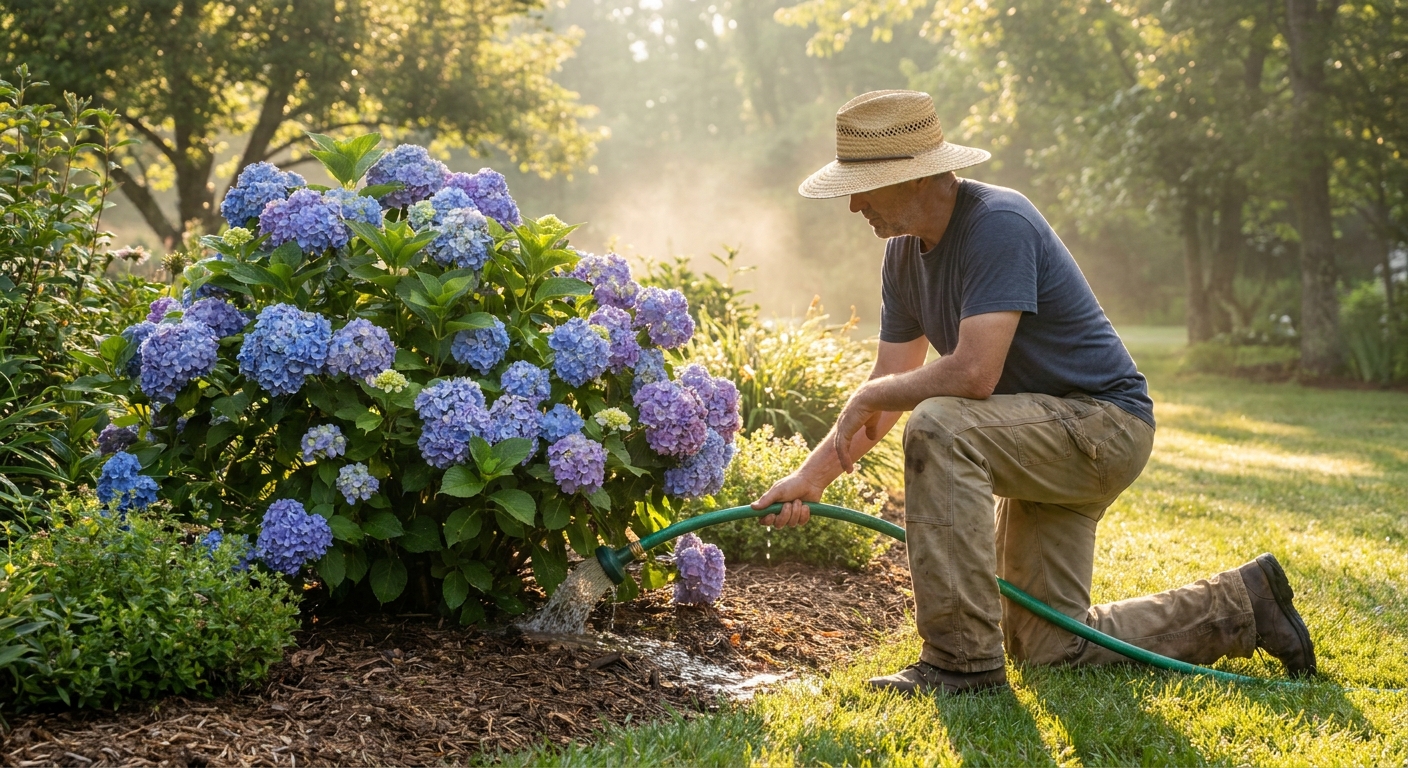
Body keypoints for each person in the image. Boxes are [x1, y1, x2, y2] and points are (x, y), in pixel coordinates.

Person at [751, 90, 1316, 695]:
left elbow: (974, 375)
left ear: (918, 178)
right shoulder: (901, 256)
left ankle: (958, 663)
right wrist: (813, 476)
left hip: (1101, 426)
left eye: (865, 186)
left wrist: (880, 393)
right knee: (1050, 646)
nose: (854, 204)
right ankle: (1247, 605)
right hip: (1038, 435)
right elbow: (885, 393)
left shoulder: (998, 223)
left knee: (940, 424)